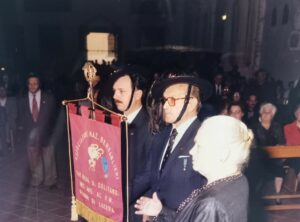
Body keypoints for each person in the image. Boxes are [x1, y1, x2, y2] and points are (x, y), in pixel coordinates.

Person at [135, 115, 253, 222]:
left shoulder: (211, 204)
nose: (191, 151)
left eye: (199, 146)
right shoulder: (238, 179)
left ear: (223, 154)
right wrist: (160, 212)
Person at [131, 72, 212, 214]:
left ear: (191, 103)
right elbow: (149, 176)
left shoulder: (205, 139)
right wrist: (115, 199)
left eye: (172, 100)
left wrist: (162, 212)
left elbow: (205, 200)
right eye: (164, 100)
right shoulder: (161, 135)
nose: (165, 107)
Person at [109, 66, 153, 221]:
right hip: (113, 201)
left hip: (134, 205)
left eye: (122, 91)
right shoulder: (116, 121)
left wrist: (119, 197)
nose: (115, 96)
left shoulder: (150, 126)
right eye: (114, 91)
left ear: (138, 94)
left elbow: (148, 174)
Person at [17, 73, 57, 188]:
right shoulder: (22, 99)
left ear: (39, 84)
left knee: (48, 157)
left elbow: (53, 117)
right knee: (34, 158)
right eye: (30, 84)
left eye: (35, 83)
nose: (33, 86)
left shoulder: (49, 98)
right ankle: (37, 179)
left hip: (46, 133)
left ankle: (50, 181)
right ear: (27, 85)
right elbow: (21, 117)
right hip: (30, 135)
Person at [252, 103, 285, 202]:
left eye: (269, 112)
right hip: (259, 157)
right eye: (264, 112)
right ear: (260, 114)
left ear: (273, 115)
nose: (266, 114)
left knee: (279, 169)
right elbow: (253, 145)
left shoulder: (277, 126)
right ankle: (256, 196)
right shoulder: (254, 127)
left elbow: (281, 142)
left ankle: (277, 195)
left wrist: (279, 148)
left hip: (275, 157)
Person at [0, 85, 17, 155]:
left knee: (7, 125)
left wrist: (10, 119)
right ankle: (2, 147)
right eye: (0, 91)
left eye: (3, 90)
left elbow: (15, 113)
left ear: (6, 91)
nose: (1, 92)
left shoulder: (11, 100)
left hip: (9, 122)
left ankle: (8, 141)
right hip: (0, 123)